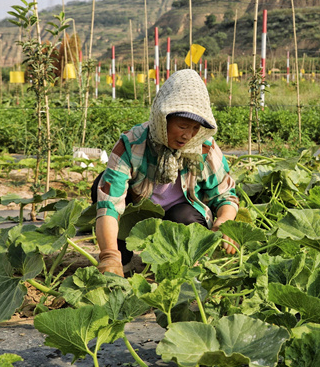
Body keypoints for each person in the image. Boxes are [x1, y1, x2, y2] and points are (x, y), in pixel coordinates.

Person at [93, 69, 239, 277]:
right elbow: (109, 204)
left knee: (185, 216)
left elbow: (225, 195)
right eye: (182, 125)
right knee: (100, 184)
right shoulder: (132, 144)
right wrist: (109, 255)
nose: (188, 135)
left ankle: (181, 263)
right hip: (137, 215)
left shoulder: (204, 148)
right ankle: (122, 258)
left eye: (195, 128)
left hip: (178, 217)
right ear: (163, 118)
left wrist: (225, 221)